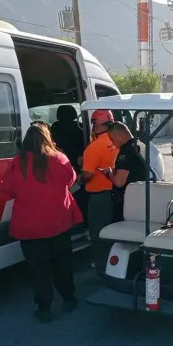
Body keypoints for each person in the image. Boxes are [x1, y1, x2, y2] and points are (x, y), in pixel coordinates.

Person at [0, 123, 82, 323]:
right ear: (48, 138)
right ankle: (68, 298)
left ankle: (44, 308)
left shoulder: (17, 163)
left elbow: (4, 194)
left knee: (38, 268)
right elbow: (71, 181)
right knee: (63, 262)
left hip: (29, 227)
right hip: (58, 222)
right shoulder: (60, 159)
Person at [79, 110, 119, 276]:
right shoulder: (117, 141)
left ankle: (103, 270)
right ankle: (116, 266)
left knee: (98, 234)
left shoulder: (94, 147)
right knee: (114, 232)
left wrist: (77, 179)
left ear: (96, 123)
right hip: (117, 194)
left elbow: (88, 175)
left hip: (99, 197)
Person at [100, 122, 148, 220]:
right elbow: (134, 168)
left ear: (121, 136)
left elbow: (119, 182)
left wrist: (109, 173)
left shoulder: (126, 151)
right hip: (141, 196)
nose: (113, 143)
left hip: (128, 200)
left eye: (113, 140)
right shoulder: (140, 145)